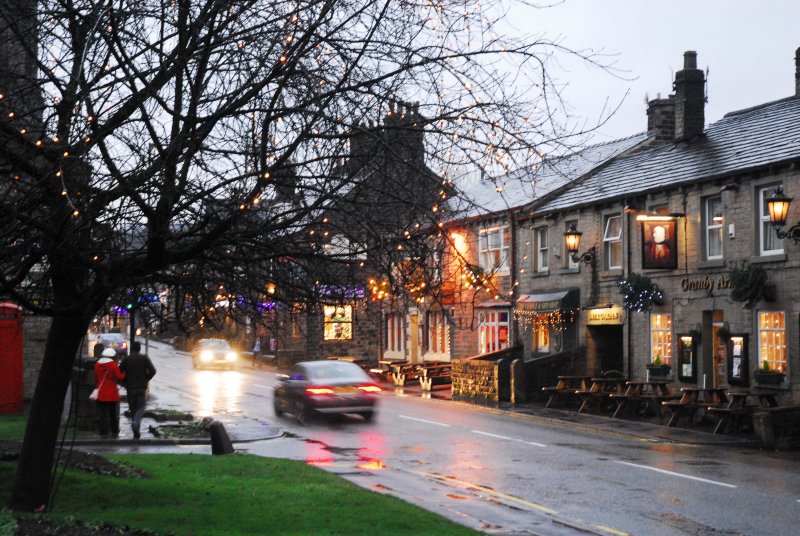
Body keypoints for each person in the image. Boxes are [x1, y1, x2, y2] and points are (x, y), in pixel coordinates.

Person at [119, 340, 157, 439]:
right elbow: (153, 371)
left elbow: (119, 372)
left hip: (130, 388)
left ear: (132, 349)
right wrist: (146, 379)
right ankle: (136, 425)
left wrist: (124, 383)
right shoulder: (144, 358)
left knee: (133, 409)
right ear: (139, 349)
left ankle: (136, 432)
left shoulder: (127, 359)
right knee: (141, 407)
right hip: (141, 388)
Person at [95, 347, 125, 438]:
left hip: (101, 393)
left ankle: (103, 432)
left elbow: (96, 378)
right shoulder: (113, 365)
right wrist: (125, 374)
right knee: (112, 414)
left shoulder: (97, 364)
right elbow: (120, 377)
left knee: (102, 414)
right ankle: (114, 431)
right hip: (112, 393)